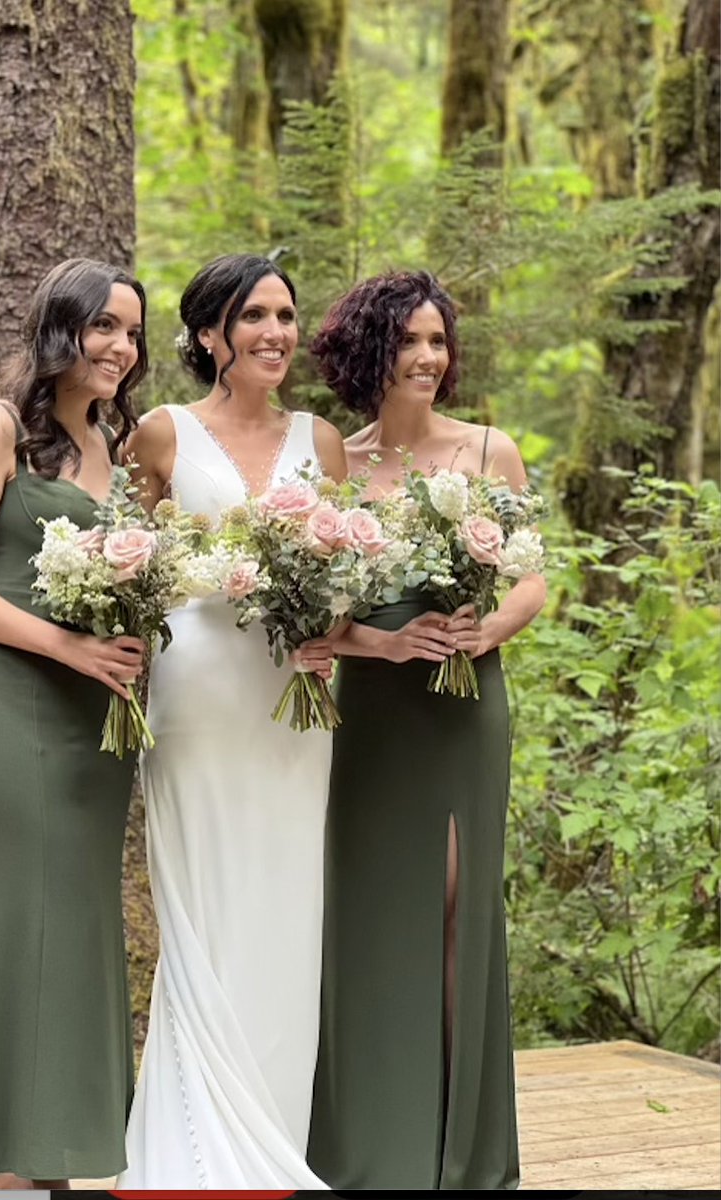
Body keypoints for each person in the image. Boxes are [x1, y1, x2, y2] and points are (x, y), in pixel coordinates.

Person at [0, 258, 149, 1190]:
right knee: (13, 904)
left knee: (78, 912)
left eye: (131, 333)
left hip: (96, 705)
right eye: (104, 328)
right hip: (3, 696)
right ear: (60, 328)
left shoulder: (116, 457)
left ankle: (53, 1147)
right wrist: (65, 646)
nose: (120, 349)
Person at [306, 270, 546, 1190]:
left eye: (437, 341)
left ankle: (458, 1151)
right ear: (371, 351)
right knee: (368, 915)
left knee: (453, 911)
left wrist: (489, 627)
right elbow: (317, 617)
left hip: (463, 707)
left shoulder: (489, 450)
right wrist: (383, 641)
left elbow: (530, 576)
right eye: (408, 341)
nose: (427, 357)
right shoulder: (337, 463)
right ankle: (373, 1146)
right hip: (371, 711)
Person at [115, 253, 346, 1189]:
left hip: (294, 707)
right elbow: (126, 567)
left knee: (285, 905)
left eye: (286, 316)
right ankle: (189, 1150)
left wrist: (329, 630)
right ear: (210, 333)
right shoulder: (161, 435)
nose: (276, 334)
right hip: (197, 696)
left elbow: (341, 573)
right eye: (254, 316)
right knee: (203, 911)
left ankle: (271, 1148)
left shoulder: (321, 440)